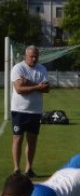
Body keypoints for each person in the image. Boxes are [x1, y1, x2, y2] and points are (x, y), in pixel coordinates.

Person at [11, 45, 50, 177]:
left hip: (35, 111)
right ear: (25, 56)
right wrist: (37, 85)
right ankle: (16, 169)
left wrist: (28, 82)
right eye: (31, 56)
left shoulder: (42, 69)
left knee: (32, 140)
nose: (34, 59)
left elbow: (46, 89)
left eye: (36, 56)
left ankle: (29, 169)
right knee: (18, 138)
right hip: (19, 110)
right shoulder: (18, 68)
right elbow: (19, 90)